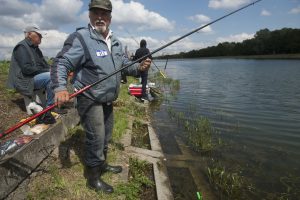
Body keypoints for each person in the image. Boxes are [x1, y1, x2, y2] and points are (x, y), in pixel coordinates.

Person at [51, 0, 151, 193]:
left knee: (106, 135)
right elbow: (61, 62)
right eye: (95, 13)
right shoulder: (81, 37)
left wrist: (138, 68)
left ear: (110, 18)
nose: (100, 17)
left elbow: (123, 65)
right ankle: (93, 176)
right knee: (96, 137)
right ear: (89, 15)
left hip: (108, 97)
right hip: (90, 97)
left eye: (104, 14)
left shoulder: (115, 41)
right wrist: (60, 88)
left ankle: (102, 164)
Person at [6, 25, 66, 124]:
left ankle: (53, 103)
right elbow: (27, 69)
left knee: (55, 74)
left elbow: (44, 64)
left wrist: (53, 69)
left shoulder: (35, 48)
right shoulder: (21, 47)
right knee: (51, 77)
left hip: (32, 77)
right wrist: (48, 71)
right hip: (24, 80)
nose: (41, 37)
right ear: (29, 34)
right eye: (38, 35)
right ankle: (51, 107)